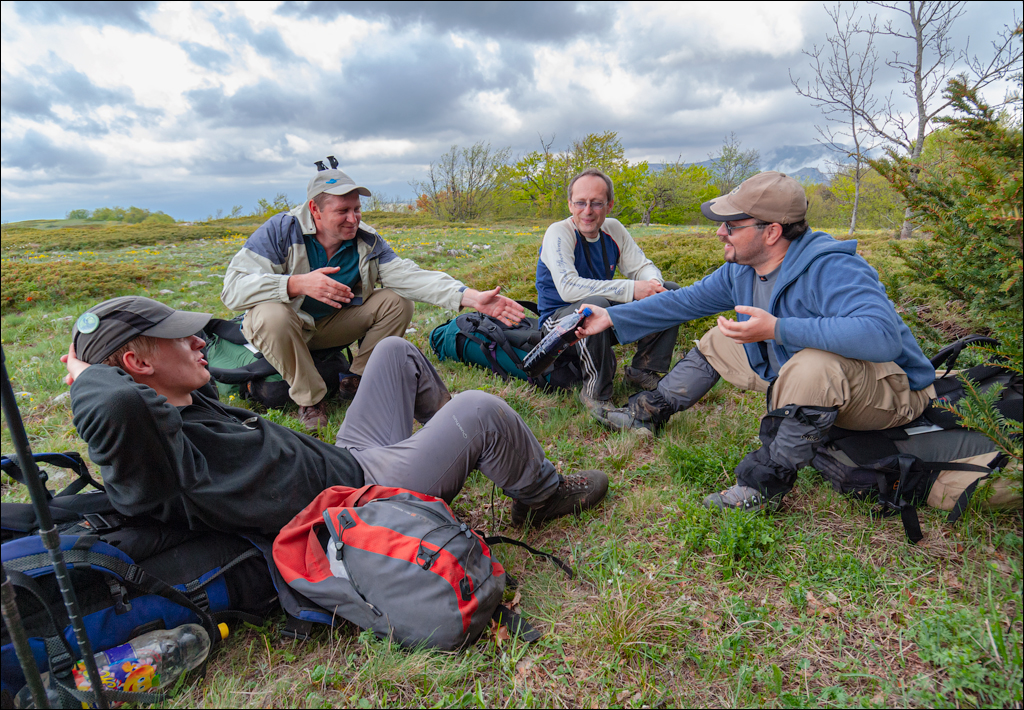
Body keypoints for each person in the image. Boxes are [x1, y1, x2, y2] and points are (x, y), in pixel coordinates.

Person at [64, 296, 608, 537]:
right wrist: (86, 371)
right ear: (135, 365)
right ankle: (540, 495)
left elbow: (134, 390)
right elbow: (115, 401)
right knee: (480, 408)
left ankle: (471, 450)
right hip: (359, 498)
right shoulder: (153, 441)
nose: (196, 339)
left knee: (394, 351)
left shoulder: (180, 400)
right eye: (176, 338)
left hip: (345, 458)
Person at [574, 171, 936, 512]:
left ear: (772, 231)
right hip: (817, 380)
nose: (720, 233)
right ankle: (646, 415)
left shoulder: (832, 268)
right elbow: (683, 302)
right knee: (723, 336)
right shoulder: (742, 268)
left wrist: (778, 329)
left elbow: (882, 336)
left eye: (732, 225)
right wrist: (612, 318)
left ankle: (763, 485)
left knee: (814, 366)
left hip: (894, 395)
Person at [221, 159, 525, 430]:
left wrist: (470, 297)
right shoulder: (280, 231)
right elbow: (232, 288)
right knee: (270, 314)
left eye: (356, 209)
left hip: (328, 326)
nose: (353, 219)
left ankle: (355, 381)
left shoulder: (366, 240)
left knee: (396, 302)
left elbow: (408, 276)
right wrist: (295, 284)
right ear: (315, 209)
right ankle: (310, 399)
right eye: (342, 211)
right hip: (285, 327)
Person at [536, 168, 679, 419]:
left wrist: (654, 285)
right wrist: (632, 289)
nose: (587, 211)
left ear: (609, 205)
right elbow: (568, 287)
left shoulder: (613, 229)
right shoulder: (558, 232)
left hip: (600, 316)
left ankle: (643, 370)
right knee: (592, 305)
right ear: (570, 204)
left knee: (669, 292)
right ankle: (595, 394)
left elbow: (641, 267)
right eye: (580, 202)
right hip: (558, 324)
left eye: (596, 203)